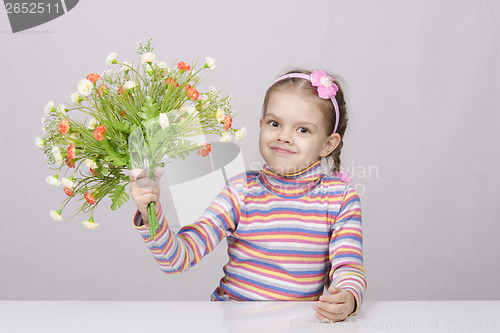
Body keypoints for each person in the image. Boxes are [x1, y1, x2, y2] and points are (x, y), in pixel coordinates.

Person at [130, 69, 366, 322]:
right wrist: (150, 211)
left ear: (327, 144)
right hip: (235, 322)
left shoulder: (339, 197)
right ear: (261, 125)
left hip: (299, 323)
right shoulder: (240, 191)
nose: (283, 137)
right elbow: (176, 259)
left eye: (303, 130)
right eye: (274, 124)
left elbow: (348, 266)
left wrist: (348, 298)